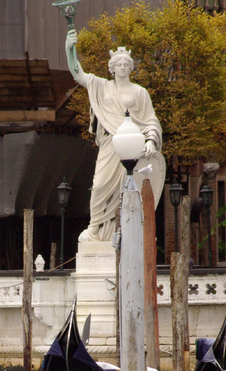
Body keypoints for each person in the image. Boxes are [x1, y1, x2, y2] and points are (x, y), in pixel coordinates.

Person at [65, 28, 165, 243]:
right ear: (112, 68)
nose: (122, 67)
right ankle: (95, 227)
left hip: (133, 146)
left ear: (130, 68)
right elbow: (78, 74)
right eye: (118, 64)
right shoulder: (101, 86)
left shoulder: (140, 92)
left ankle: (127, 229)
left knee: (128, 189)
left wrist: (150, 140)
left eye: (125, 64)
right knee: (99, 185)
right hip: (110, 144)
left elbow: (151, 120)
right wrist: (70, 49)